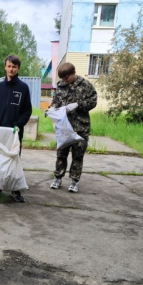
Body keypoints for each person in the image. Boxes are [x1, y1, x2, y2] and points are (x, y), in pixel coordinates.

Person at [0, 54, 33, 203]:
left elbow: (27, 110)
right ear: (5, 67)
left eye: (14, 66)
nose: (11, 69)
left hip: (14, 132)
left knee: (13, 160)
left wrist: (18, 124)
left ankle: (15, 189)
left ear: (18, 68)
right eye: (9, 66)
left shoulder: (23, 88)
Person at [49, 62, 97, 193]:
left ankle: (75, 181)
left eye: (66, 78)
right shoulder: (61, 86)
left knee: (77, 156)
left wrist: (78, 105)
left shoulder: (85, 85)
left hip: (80, 127)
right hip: (64, 127)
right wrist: (52, 108)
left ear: (73, 73)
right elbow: (56, 100)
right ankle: (58, 178)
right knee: (61, 155)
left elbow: (93, 101)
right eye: (62, 78)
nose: (65, 81)